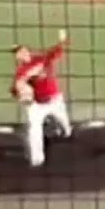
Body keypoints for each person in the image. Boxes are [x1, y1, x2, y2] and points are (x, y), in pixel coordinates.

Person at [11, 29, 73, 167]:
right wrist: (21, 95)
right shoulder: (21, 72)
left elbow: (58, 50)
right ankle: (37, 159)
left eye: (21, 51)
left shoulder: (42, 59)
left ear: (28, 51)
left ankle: (64, 132)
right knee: (34, 129)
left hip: (55, 100)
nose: (19, 54)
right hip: (37, 105)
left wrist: (63, 40)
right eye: (17, 54)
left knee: (65, 129)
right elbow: (15, 89)